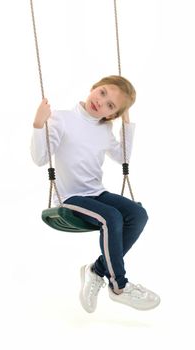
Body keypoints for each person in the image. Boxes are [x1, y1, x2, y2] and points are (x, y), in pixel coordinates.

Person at [31, 75, 160, 313]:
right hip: (70, 198)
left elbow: (123, 157)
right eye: (102, 93)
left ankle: (97, 270)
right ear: (94, 88)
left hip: (96, 193)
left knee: (138, 214)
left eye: (110, 105)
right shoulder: (61, 119)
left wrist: (127, 123)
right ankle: (119, 286)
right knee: (111, 217)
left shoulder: (105, 129)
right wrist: (39, 125)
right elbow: (40, 158)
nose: (101, 102)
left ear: (111, 116)